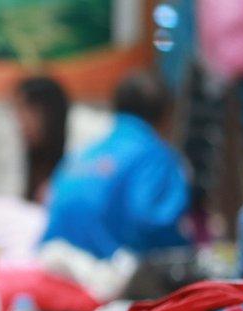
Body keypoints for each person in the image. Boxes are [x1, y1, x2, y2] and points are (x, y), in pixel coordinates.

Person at [41, 70, 190, 259]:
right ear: (167, 114)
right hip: (109, 274)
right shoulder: (154, 155)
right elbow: (154, 222)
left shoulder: (82, 153)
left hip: (54, 268)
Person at [13, 75, 70, 204]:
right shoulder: (34, 145)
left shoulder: (86, 139)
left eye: (25, 110)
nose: (20, 122)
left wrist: (58, 190)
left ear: (48, 110)